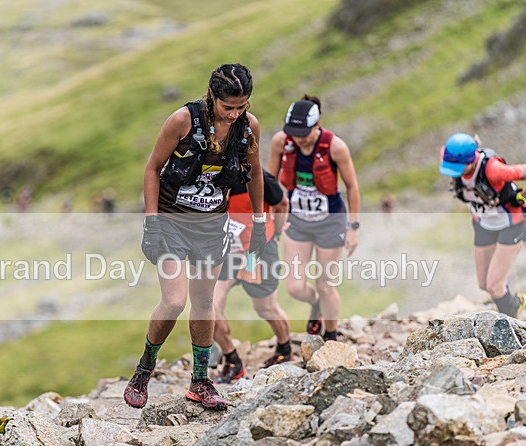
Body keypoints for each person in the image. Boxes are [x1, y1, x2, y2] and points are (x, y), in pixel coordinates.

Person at [124, 63, 266, 410]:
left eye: (242, 106)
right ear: (212, 95)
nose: (234, 114)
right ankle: (144, 370)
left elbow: (255, 173)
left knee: (204, 303)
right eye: (228, 106)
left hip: (211, 226)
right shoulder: (182, 121)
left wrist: (260, 222)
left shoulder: (248, 127)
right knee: (174, 301)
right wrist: (151, 223)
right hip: (172, 221)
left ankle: (200, 381)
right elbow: (152, 168)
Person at [267, 95, 361, 345]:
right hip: (297, 221)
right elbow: (270, 182)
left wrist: (353, 227)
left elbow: (352, 187)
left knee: (325, 285)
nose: (298, 138)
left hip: (330, 222)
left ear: (317, 124)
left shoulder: (335, 147)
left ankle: (330, 336)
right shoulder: (281, 142)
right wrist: (269, 217)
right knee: (295, 287)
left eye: (303, 133)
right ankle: (316, 305)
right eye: (293, 133)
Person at [440, 132, 526, 317]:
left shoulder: (494, 170)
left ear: (471, 161)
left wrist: (523, 197)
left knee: (494, 286)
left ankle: (512, 319)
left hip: (511, 223)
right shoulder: (449, 154)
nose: (454, 172)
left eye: (458, 168)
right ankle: (509, 292)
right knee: (484, 283)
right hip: (483, 224)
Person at [213, 169, 292, 383]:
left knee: (265, 308)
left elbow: (282, 204)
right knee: (209, 308)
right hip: (226, 252)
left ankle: (284, 349)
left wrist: (275, 233)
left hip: (255, 252)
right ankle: (232, 361)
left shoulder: (259, 177)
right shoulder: (208, 175)